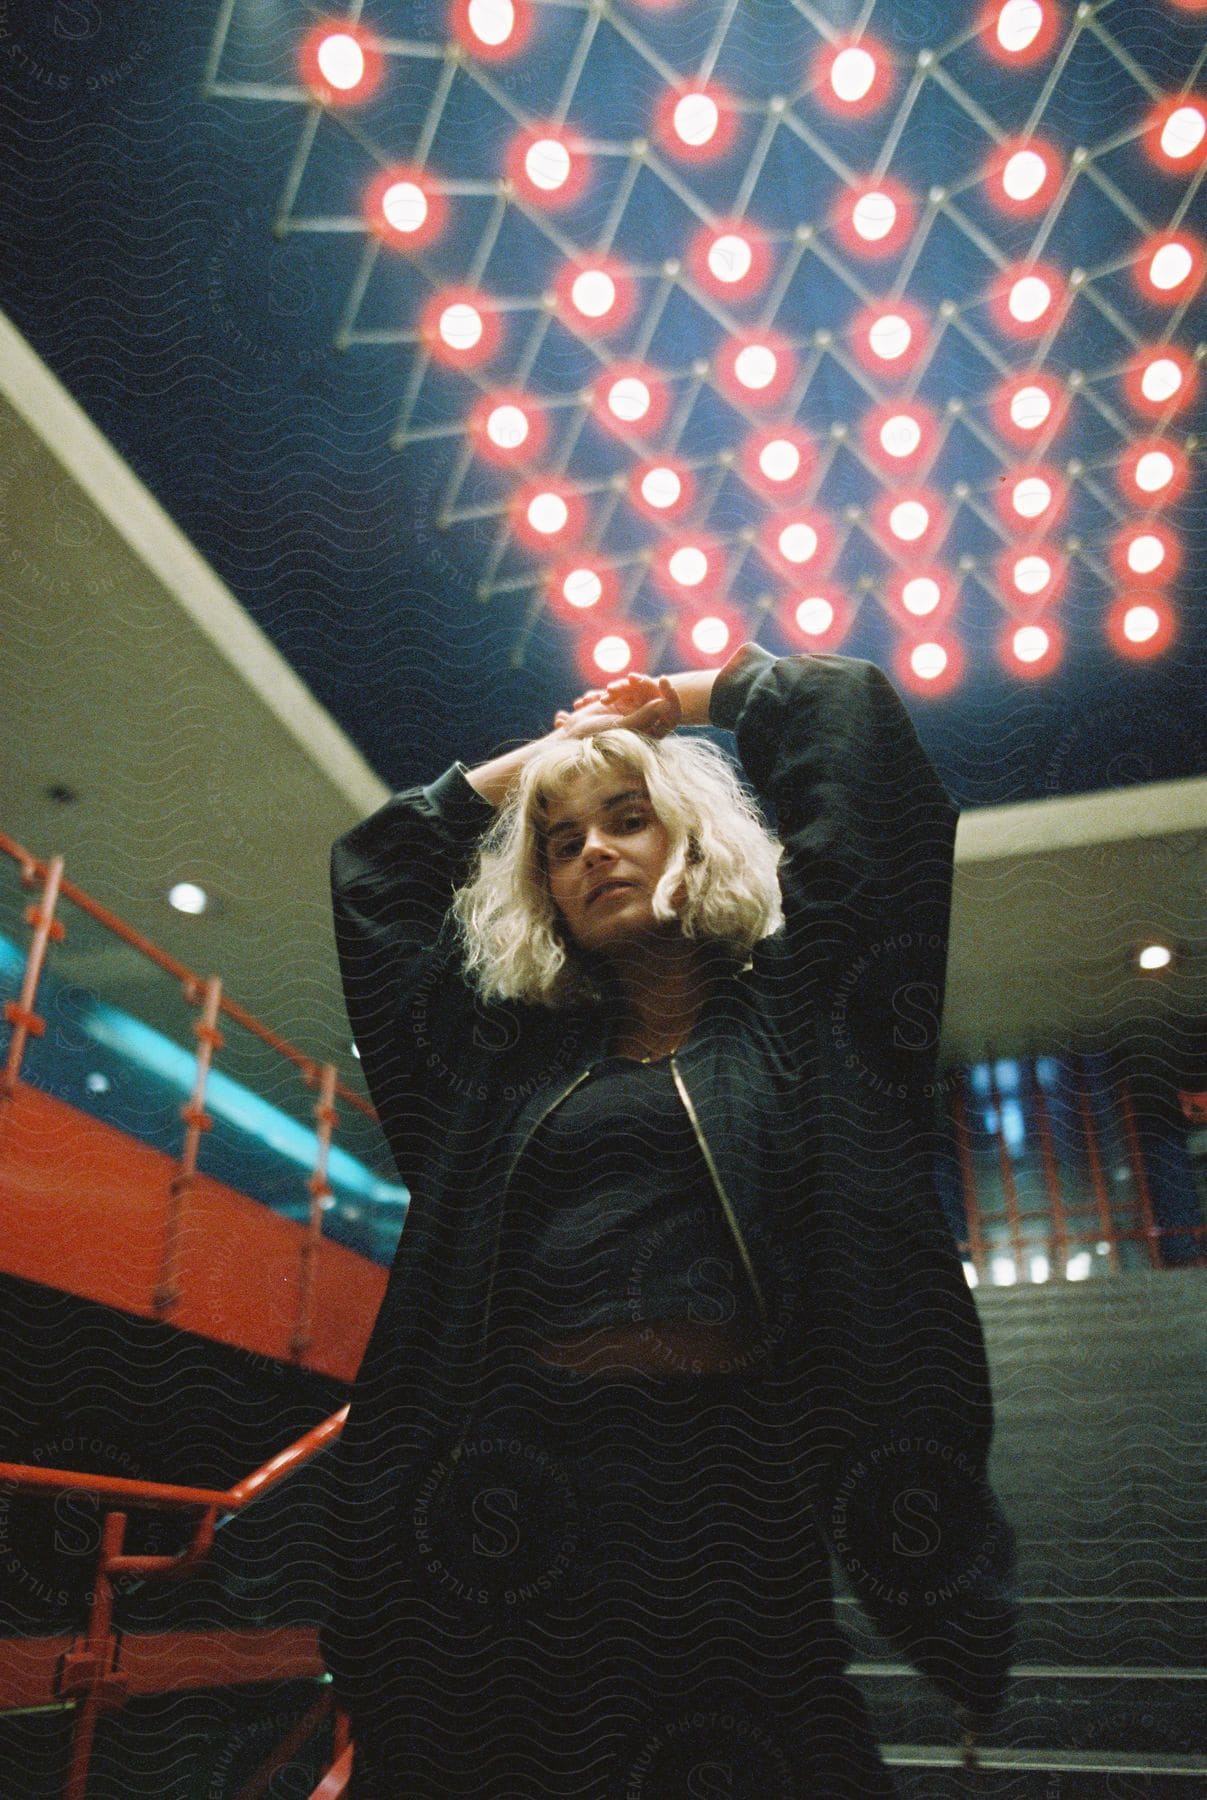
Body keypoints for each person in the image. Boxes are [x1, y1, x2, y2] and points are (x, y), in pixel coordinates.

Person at [318, 640, 1019, 1798]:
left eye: (627, 816)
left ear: (687, 837)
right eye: (562, 840)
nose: (594, 848)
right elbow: (378, 870)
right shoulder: (495, 1074)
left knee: (781, 1751)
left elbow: (853, 733)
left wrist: (673, 705)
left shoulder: (814, 1018)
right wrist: (552, 757)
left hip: (731, 1474)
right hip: (517, 1478)